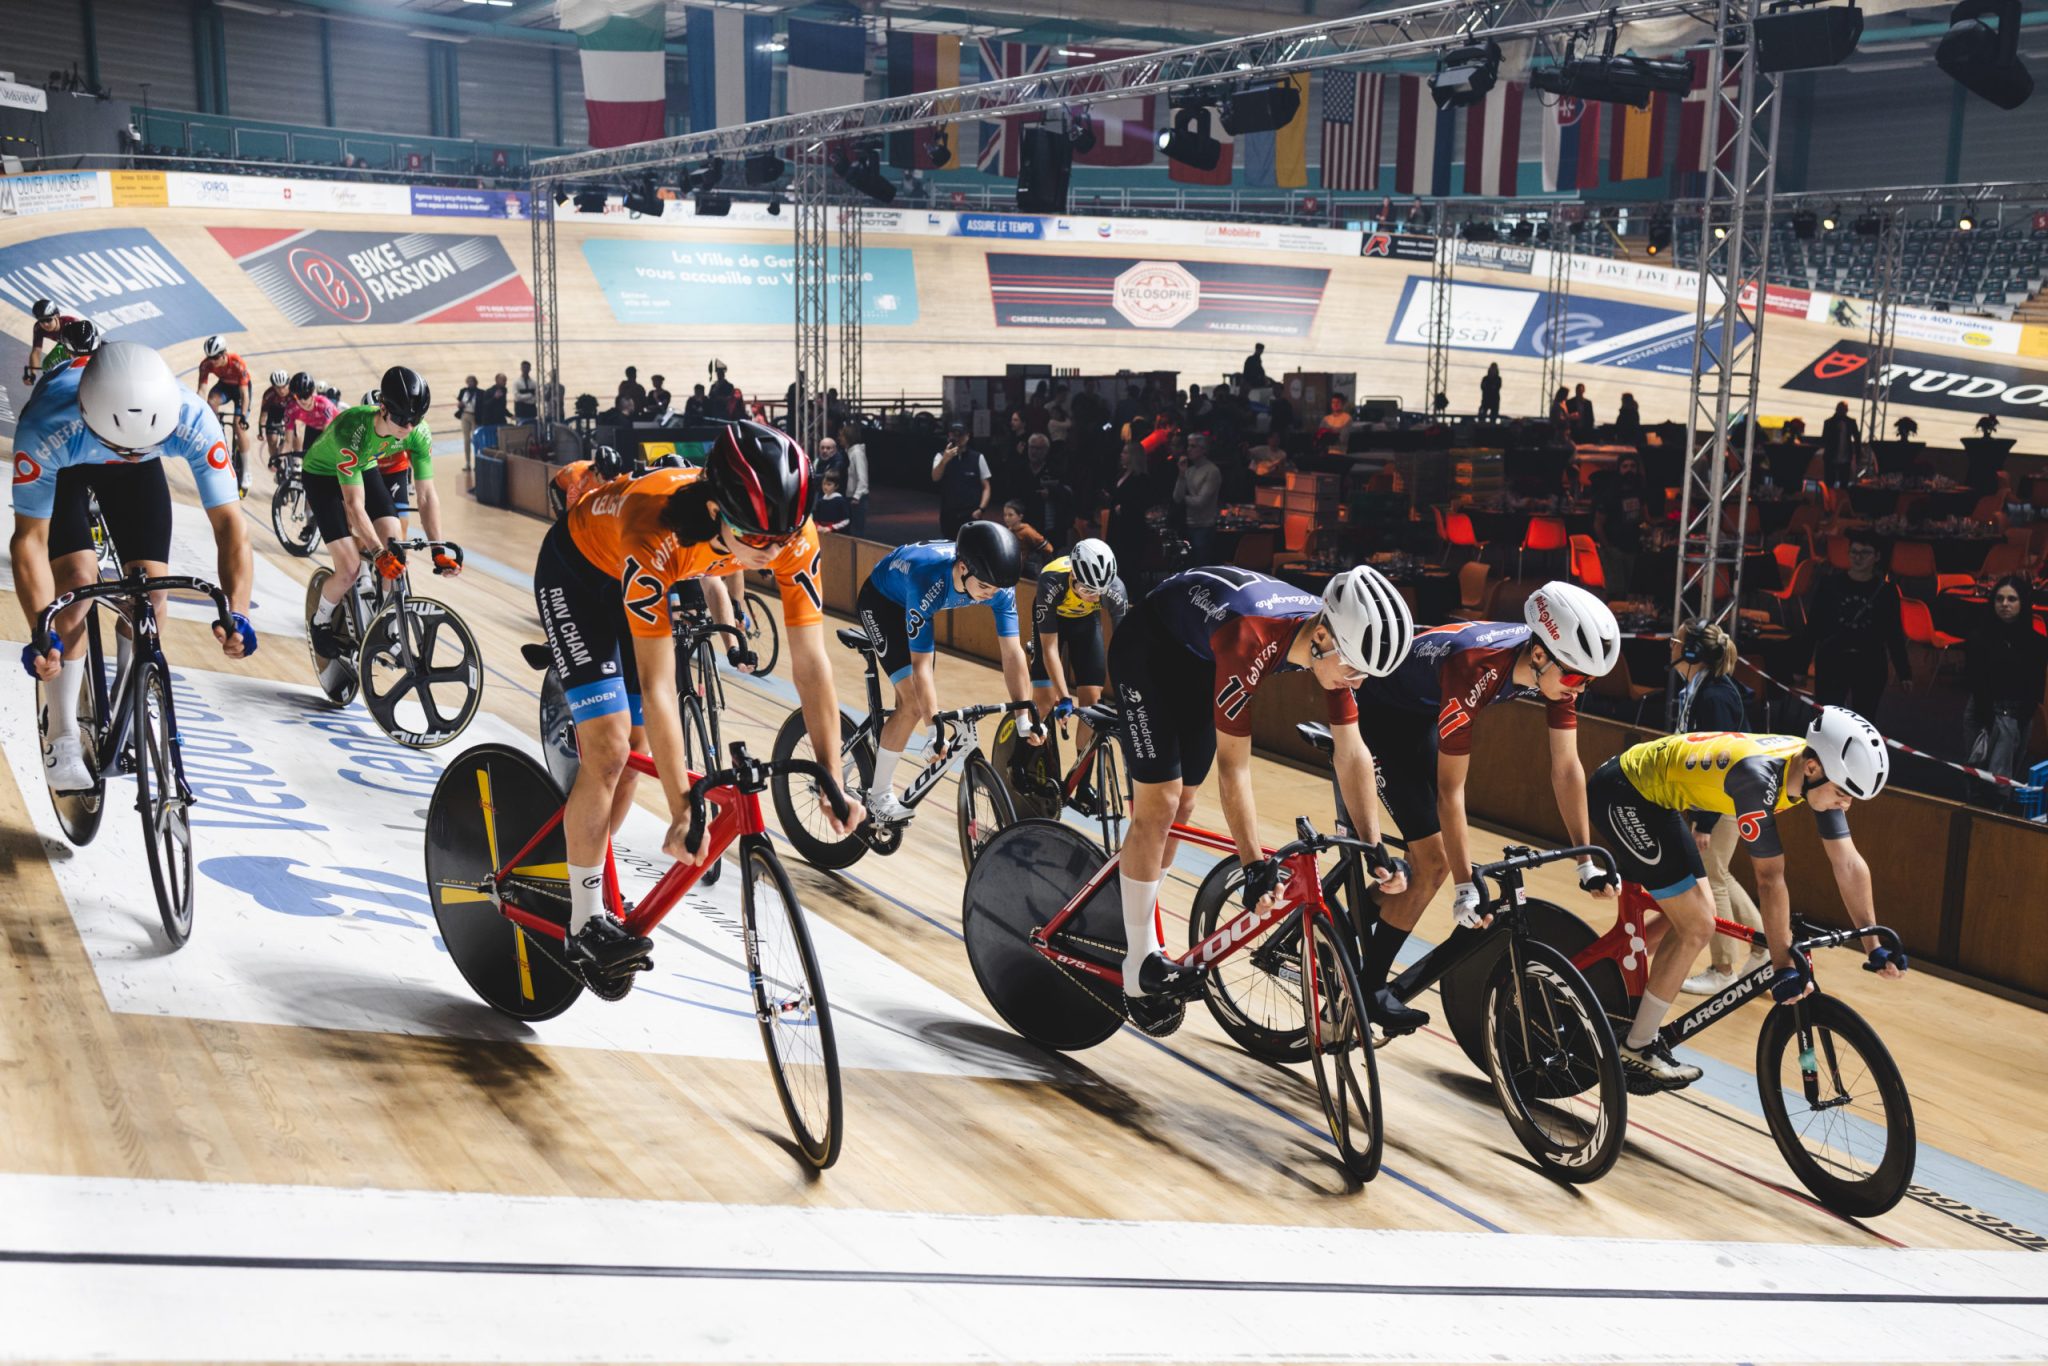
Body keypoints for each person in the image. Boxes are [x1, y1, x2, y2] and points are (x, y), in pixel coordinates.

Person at [537, 422, 861, 979]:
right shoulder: (656, 528)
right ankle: (583, 920)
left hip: (639, 576)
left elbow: (811, 665)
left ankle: (575, 860)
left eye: (784, 537)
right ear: (716, 511)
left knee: (636, 762)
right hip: (579, 574)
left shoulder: (790, 537)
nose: (776, 553)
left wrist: (831, 775)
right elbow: (661, 685)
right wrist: (684, 807)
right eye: (758, 540)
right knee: (611, 749)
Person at [1112, 566, 1415, 1000]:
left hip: (1201, 656)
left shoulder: (1335, 647)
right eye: (1353, 670)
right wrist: (1253, 864)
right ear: (1323, 637)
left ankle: (1136, 904)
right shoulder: (1252, 638)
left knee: (1184, 807)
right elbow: (1234, 767)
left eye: (1365, 675)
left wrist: (1374, 847)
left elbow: (1353, 752)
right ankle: (1138, 962)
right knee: (1160, 802)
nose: (1357, 682)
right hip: (1148, 651)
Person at [1348, 583, 1622, 1033]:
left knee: (1436, 865)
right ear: (1538, 656)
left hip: (1421, 716)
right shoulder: (1475, 666)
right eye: (1575, 677)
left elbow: (1567, 767)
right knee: (1435, 866)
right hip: (1379, 717)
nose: (1580, 689)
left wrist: (1585, 859)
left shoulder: (1551, 673)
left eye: (1589, 681)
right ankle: (1369, 987)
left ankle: (1361, 911)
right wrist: (1461, 885)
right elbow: (1451, 793)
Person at [1587, 708, 1906, 1090]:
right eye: (1842, 793)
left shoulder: (1811, 772)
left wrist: (1873, 943)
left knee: (1694, 914)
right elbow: (1769, 879)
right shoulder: (1759, 779)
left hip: (1659, 798)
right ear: (1812, 768)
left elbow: (1848, 863)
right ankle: (1637, 1047)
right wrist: (1781, 962)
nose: (1846, 805)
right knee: (1698, 924)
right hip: (1624, 794)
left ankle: (1614, 984)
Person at [13, 342, 257, 790]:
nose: (126, 452)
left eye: (141, 444)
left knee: (151, 592)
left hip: (136, 472)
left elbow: (231, 528)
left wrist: (236, 610)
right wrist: (39, 628)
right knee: (77, 582)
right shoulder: (44, 425)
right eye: (121, 447)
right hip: (69, 460)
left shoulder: (191, 418)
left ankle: (132, 690)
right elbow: (29, 540)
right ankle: (62, 730)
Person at [856, 521, 1039, 825]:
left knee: (922, 702)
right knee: (913, 703)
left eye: (996, 590)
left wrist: (1023, 717)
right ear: (963, 568)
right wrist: (933, 729)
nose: (990, 595)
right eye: (984, 588)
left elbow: (1012, 652)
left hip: (915, 604)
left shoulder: (997, 587)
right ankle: (878, 796)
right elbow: (921, 666)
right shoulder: (928, 580)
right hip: (882, 604)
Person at [302, 368, 462, 662]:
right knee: (349, 567)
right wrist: (377, 553)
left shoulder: (417, 433)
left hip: (363, 465)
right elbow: (353, 505)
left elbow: (426, 495)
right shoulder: (352, 429)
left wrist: (438, 548)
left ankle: (385, 625)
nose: (409, 427)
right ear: (383, 408)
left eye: (416, 420)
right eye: (402, 419)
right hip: (322, 475)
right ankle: (320, 622)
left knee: (396, 548)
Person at [1665, 621, 1769, 997]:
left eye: (1677, 640)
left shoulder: (1715, 697)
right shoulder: (1700, 689)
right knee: (1720, 872)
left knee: (1712, 874)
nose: (1671, 644)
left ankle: (1723, 968)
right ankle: (1767, 946)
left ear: (1692, 653)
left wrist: (1704, 822)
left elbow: (1719, 762)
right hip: (1720, 798)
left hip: (1726, 798)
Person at [1027, 539, 1128, 782]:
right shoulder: (1051, 580)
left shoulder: (1115, 590)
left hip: (1085, 624)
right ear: (1073, 574)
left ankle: (1081, 783)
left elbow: (1125, 650)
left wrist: (1128, 697)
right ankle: (1031, 765)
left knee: (1092, 704)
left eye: (1099, 592)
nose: (1094, 597)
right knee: (1044, 702)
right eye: (1087, 590)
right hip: (1053, 624)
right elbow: (1050, 648)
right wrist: (1063, 697)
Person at [1809, 532, 1909, 718]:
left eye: (1864, 553)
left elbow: (1894, 631)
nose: (1857, 557)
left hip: (1869, 662)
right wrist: (1801, 664)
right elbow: (1814, 625)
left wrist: (1904, 672)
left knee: (1864, 718)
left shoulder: (1887, 591)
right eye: (1853, 552)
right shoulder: (1830, 584)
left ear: (1877, 557)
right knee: (1828, 718)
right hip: (1833, 658)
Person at [1964, 576, 2048, 780]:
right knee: (1977, 772)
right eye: (1999, 599)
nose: (2004, 604)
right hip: (1982, 711)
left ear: (2022, 603)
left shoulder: (2037, 642)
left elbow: (2035, 684)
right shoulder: (1979, 638)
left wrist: (2023, 716)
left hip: (2018, 714)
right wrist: (1989, 719)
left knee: (2006, 780)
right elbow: (1975, 680)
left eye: (2012, 599)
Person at [196, 335, 253, 495]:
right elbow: (201, 390)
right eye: (210, 358)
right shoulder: (206, 364)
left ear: (223, 354)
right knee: (211, 402)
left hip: (241, 390)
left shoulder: (237, 363)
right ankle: (218, 434)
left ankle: (247, 470)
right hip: (224, 388)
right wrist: (202, 411)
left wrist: (242, 416)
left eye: (215, 358)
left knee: (238, 426)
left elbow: (244, 394)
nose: (212, 361)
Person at [1593, 454, 1650, 596]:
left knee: (1632, 591)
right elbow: (1598, 524)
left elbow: (1644, 517)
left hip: (1634, 547)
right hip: (1614, 548)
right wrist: (1608, 547)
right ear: (1619, 469)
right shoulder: (1610, 494)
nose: (1629, 470)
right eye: (1625, 466)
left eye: (1633, 466)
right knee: (1616, 592)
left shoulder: (1639, 491)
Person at [931, 421, 992, 536]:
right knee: (949, 546)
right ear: (949, 436)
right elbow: (935, 477)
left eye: (961, 435)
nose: (957, 438)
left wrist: (981, 509)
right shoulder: (940, 456)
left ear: (967, 436)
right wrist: (945, 459)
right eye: (954, 435)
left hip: (971, 514)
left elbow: (986, 487)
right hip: (948, 514)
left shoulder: (978, 457)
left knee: (971, 548)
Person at [1173, 432, 1222, 563]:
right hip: (1188, 524)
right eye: (1188, 446)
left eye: (1193, 446)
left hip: (1204, 526)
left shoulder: (1212, 471)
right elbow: (1177, 497)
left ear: (1203, 449)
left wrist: (1184, 499)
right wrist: (1181, 475)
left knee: (1200, 566)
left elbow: (1201, 501)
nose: (1189, 449)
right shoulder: (1190, 470)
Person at [284, 372, 338, 457]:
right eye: (298, 396)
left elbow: (326, 434)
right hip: (313, 428)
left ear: (312, 393)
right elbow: (287, 442)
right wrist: (279, 460)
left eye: (305, 396)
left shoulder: (324, 404)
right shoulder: (291, 410)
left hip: (335, 428)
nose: (302, 400)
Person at [24, 298, 77, 382]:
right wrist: (33, 374)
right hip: (65, 345)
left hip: (81, 347)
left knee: (68, 354)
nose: (45, 324)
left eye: (48, 319)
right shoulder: (39, 328)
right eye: (41, 320)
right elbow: (36, 351)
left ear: (57, 316)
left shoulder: (71, 324)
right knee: (47, 365)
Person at [1001, 499, 1054, 575]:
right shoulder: (1008, 531)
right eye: (1005, 515)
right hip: (1012, 568)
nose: (1007, 518)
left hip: (1026, 572)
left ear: (1020, 517)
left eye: (1010, 515)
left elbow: (1048, 548)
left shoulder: (1027, 531)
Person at [1820, 401, 1860, 487]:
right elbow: (1824, 438)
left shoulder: (1851, 422)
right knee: (1830, 482)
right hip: (1831, 457)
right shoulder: (1829, 422)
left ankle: (1839, 499)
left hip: (1845, 458)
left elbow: (1857, 439)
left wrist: (1858, 454)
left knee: (1844, 483)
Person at [260, 370, 292, 463]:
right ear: (273, 387)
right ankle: (274, 460)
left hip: (290, 412)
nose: (281, 391)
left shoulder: (294, 392)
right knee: (272, 440)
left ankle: (296, 461)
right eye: (278, 388)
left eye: (284, 387)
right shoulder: (268, 394)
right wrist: (261, 429)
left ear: (288, 384)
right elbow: (264, 414)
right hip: (274, 413)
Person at [455, 376, 481, 467]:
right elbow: (459, 403)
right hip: (465, 415)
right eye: (468, 381)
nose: (470, 383)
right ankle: (468, 462)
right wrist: (459, 405)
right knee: (466, 440)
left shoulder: (480, 392)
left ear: (475, 382)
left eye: (472, 381)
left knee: (476, 439)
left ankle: (478, 460)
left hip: (475, 416)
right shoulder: (463, 391)